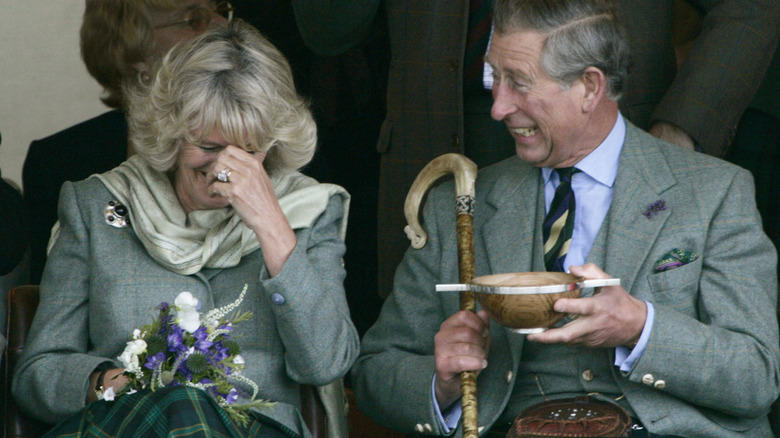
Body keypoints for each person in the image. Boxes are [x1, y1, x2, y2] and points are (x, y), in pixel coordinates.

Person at [351, 0, 780, 436]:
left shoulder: (716, 191)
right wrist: (441, 382)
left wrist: (640, 329)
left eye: (518, 83)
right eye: (493, 78)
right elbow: (374, 372)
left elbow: (757, 375)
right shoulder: (458, 206)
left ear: (590, 87)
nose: (498, 107)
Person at [291, 0, 780, 300]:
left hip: (606, 152)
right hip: (435, 160)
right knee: (443, 360)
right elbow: (327, 29)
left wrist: (678, 130)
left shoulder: (717, 194)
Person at [13, 21, 358, 438]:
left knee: (190, 408)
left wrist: (272, 226)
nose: (225, 167)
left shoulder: (306, 211)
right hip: (125, 426)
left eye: (248, 151)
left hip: (253, 430)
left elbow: (327, 363)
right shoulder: (95, 207)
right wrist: (112, 384)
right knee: (181, 405)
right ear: (171, 133)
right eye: (209, 147)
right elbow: (37, 374)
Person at [23, 0, 234, 285]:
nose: (224, 24)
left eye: (222, 9)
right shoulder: (57, 160)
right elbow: (50, 297)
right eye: (194, 19)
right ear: (133, 49)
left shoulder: (262, 144)